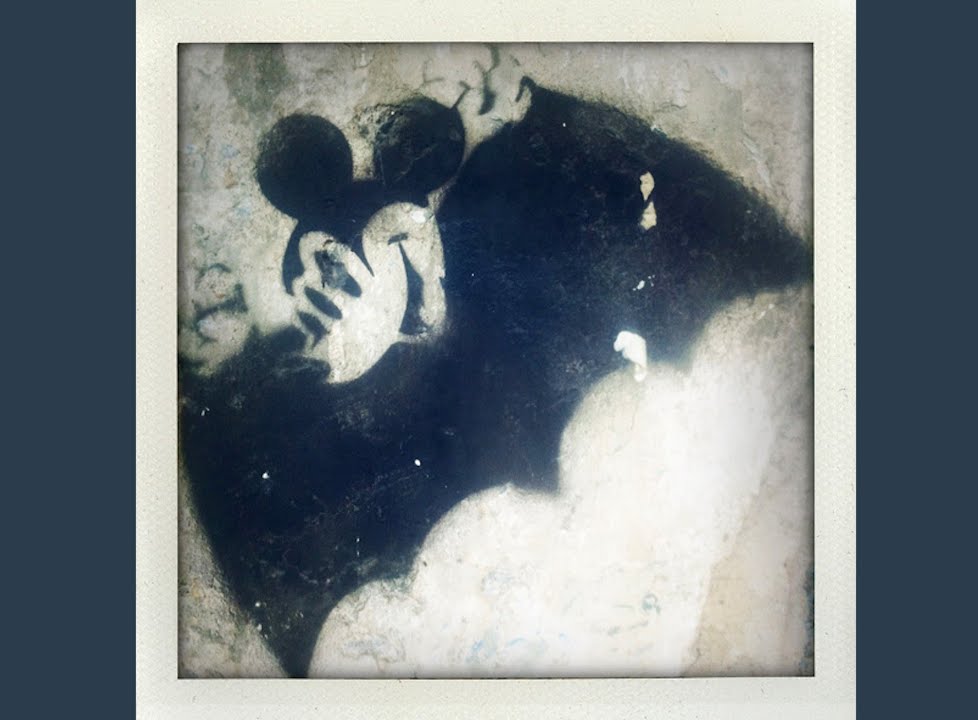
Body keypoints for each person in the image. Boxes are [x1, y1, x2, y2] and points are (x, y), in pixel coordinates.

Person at [180, 76, 810, 677]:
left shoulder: (508, 241)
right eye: (309, 293)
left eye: (335, 275)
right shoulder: (306, 444)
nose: (315, 297)